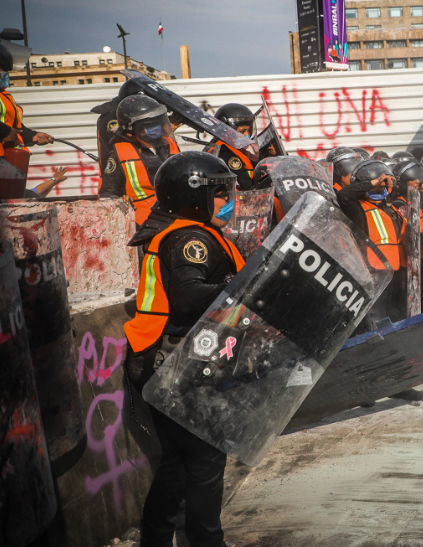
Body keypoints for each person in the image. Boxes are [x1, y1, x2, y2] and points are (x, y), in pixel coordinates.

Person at [123, 152, 245, 547]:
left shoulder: (183, 231)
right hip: (175, 364)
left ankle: (156, 541)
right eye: (221, 192)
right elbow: (188, 295)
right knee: (206, 461)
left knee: (176, 465)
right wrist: (247, 289)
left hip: (160, 361)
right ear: (196, 197)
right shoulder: (190, 238)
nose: (229, 199)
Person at [337, 159, 406, 322]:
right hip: (372, 273)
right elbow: (343, 195)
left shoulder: (390, 207)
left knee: (394, 316)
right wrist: (372, 182)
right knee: (375, 318)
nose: (380, 187)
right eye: (376, 185)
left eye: (382, 185)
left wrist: (388, 180)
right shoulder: (357, 208)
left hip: (395, 272)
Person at [99, 94, 180, 227]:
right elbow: (107, 193)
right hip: (141, 224)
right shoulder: (120, 153)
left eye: (157, 122)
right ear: (130, 129)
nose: (155, 127)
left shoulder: (170, 145)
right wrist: (120, 201)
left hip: (175, 216)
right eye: (149, 124)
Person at [0, 36, 55, 199]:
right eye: (2, 70)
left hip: (3, 162)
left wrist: (30, 135)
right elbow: (4, 126)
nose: (5, 74)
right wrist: (4, 130)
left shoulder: (3, 95)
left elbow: (14, 124)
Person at [90, 78, 144, 173]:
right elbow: (128, 145)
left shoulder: (122, 112)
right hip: (116, 178)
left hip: (123, 173)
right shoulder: (113, 117)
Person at [206, 103, 256, 190]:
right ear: (227, 130)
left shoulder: (230, 147)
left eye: (249, 131)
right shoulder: (225, 152)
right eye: (242, 131)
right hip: (237, 199)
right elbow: (246, 184)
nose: (247, 135)